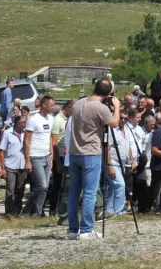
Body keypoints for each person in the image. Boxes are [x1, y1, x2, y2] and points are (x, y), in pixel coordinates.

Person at [65, 79, 118, 239]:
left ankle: (73, 229)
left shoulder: (78, 104)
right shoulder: (100, 108)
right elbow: (114, 123)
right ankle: (87, 229)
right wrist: (117, 107)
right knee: (89, 193)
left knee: (73, 192)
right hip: (91, 153)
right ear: (108, 93)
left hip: (75, 152)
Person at [23, 95, 55, 217]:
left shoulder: (51, 119)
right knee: (42, 185)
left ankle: (38, 212)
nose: (53, 107)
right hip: (35, 156)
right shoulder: (33, 119)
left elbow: (49, 137)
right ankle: (26, 209)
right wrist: (27, 160)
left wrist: (51, 152)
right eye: (51, 105)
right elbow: (26, 140)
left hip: (46, 155)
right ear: (44, 105)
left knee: (45, 188)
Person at [47, 99, 74, 215]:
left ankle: (62, 209)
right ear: (69, 107)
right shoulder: (57, 120)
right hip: (60, 156)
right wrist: (57, 161)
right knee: (58, 185)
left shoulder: (68, 119)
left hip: (67, 155)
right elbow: (53, 142)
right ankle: (54, 209)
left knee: (65, 185)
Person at [0, 115, 27, 216]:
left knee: (20, 189)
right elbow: (1, 151)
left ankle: (17, 211)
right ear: (18, 123)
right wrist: (2, 167)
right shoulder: (7, 133)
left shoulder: (26, 133)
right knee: (10, 189)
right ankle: (9, 212)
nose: (25, 125)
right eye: (23, 123)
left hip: (22, 165)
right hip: (10, 165)